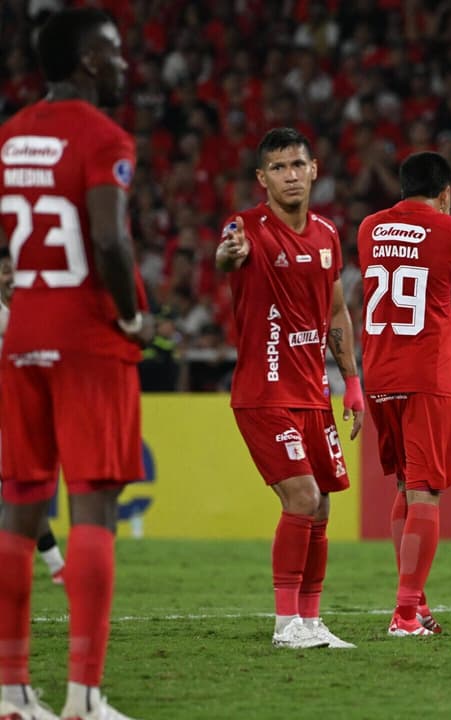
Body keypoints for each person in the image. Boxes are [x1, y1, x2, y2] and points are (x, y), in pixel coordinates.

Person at [0, 8, 154, 720]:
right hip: (87, 336)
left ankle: (10, 691)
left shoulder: (9, 136)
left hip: (21, 328)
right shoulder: (103, 136)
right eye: (114, 53)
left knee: (19, 506)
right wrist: (132, 316)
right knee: (91, 501)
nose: (124, 65)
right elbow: (110, 241)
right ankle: (84, 697)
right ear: (89, 61)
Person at [215, 127, 364, 650]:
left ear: (314, 168)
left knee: (322, 507)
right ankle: (284, 625)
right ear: (263, 179)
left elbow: (337, 311)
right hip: (264, 391)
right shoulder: (247, 228)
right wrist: (228, 253)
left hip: (312, 392)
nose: (290, 175)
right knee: (302, 497)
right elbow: (226, 258)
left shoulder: (326, 234)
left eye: (297, 165)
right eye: (278, 168)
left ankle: (311, 621)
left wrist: (352, 383)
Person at [357, 152, 451, 637]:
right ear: (445, 192)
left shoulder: (369, 228)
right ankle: (405, 615)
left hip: (380, 373)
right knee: (426, 490)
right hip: (428, 372)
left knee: (406, 486)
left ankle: (417, 603)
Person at [0, 249, 66, 587]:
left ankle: (55, 566)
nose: (11, 278)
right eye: (5, 272)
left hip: (24, 418)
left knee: (27, 493)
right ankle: (55, 566)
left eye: (15, 271)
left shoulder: (39, 312)